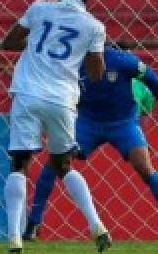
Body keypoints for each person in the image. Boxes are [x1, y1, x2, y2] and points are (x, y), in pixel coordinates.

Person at [0, 0, 109, 253]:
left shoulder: (39, 8)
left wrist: (39, 45)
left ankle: (13, 237)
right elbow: (97, 73)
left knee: (20, 163)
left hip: (27, 93)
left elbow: (8, 42)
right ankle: (96, 225)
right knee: (63, 165)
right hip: (61, 99)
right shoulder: (94, 26)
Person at [25, 47, 158, 239]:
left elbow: (152, 78)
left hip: (123, 123)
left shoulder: (123, 61)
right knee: (54, 163)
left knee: (145, 168)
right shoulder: (71, 63)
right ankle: (33, 223)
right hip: (87, 123)